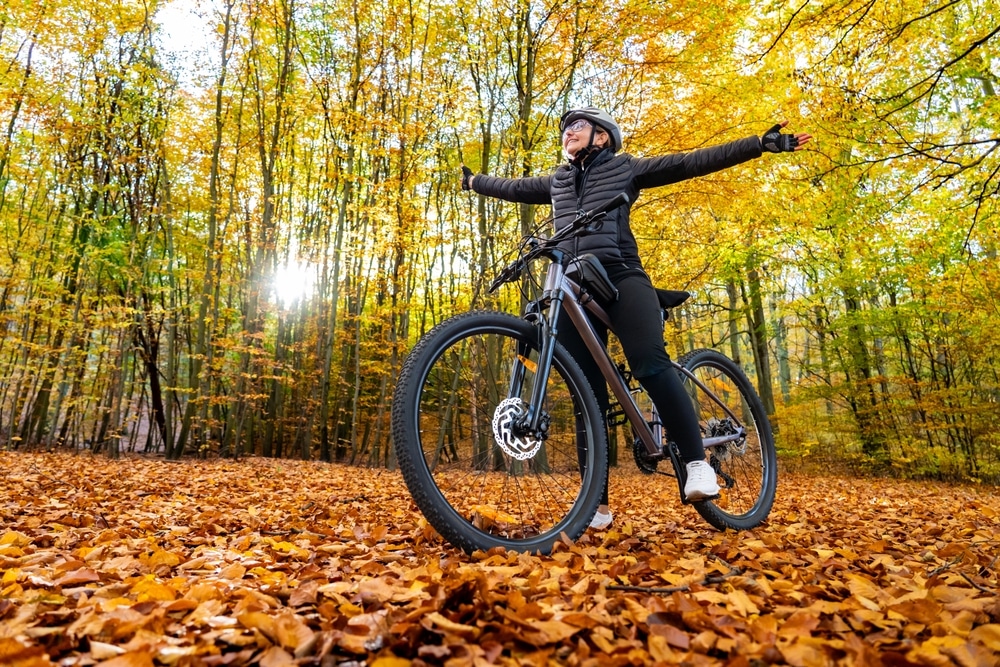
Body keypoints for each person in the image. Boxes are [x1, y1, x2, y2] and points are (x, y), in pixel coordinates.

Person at [461, 107, 811, 530]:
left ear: (602, 137)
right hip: (574, 285)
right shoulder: (557, 180)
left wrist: (758, 145)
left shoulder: (625, 168)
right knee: (584, 392)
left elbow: (688, 162)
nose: (568, 131)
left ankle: (697, 462)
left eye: (578, 126)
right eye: (565, 128)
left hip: (621, 277)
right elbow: (512, 187)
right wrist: (474, 182)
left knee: (648, 362)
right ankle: (599, 505)